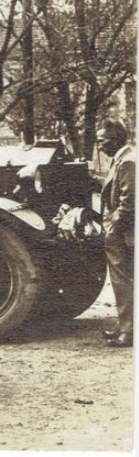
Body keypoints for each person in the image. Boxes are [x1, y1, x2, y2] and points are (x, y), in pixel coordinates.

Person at [97, 120, 134, 348]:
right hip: (126, 231)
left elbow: (129, 204)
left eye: (102, 141)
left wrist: (111, 227)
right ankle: (126, 328)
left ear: (116, 140)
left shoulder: (128, 161)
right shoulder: (124, 158)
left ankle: (128, 332)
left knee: (123, 281)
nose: (99, 146)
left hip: (124, 233)